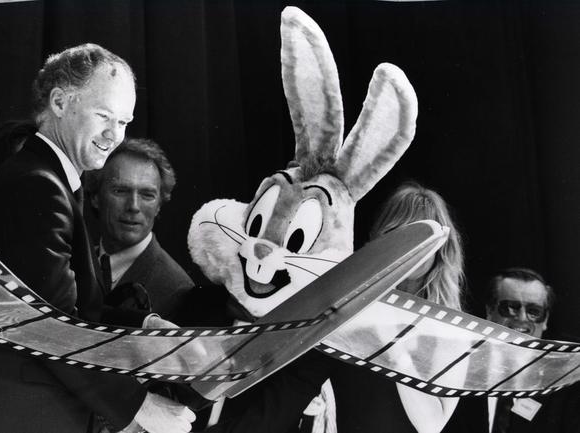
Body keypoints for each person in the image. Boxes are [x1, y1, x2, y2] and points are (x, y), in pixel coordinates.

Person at [0, 43, 194, 433]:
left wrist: (144, 324)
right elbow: (52, 327)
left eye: (124, 122)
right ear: (59, 102)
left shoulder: (50, 180)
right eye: (104, 115)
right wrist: (140, 407)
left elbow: (63, 308)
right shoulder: (37, 185)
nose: (114, 135)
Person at [207, 181, 466, 433]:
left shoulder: (450, 329)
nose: (408, 246)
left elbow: (432, 425)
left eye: (419, 237)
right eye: (397, 233)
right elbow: (294, 388)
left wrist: (394, 347)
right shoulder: (352, 306)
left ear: (440, 249)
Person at [442, 268, 580, 433]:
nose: (521, 318)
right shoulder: (458, 370)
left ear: (545, 320)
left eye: (533, 312)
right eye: (510, 308)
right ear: (489, 311)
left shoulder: (565, 385)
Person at [87, 137, 194, 320]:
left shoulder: (178, 291)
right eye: (120, 191)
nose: (134, 206)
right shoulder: (76, 263)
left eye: (147, 195)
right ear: (95, 197)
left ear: (159, 205)